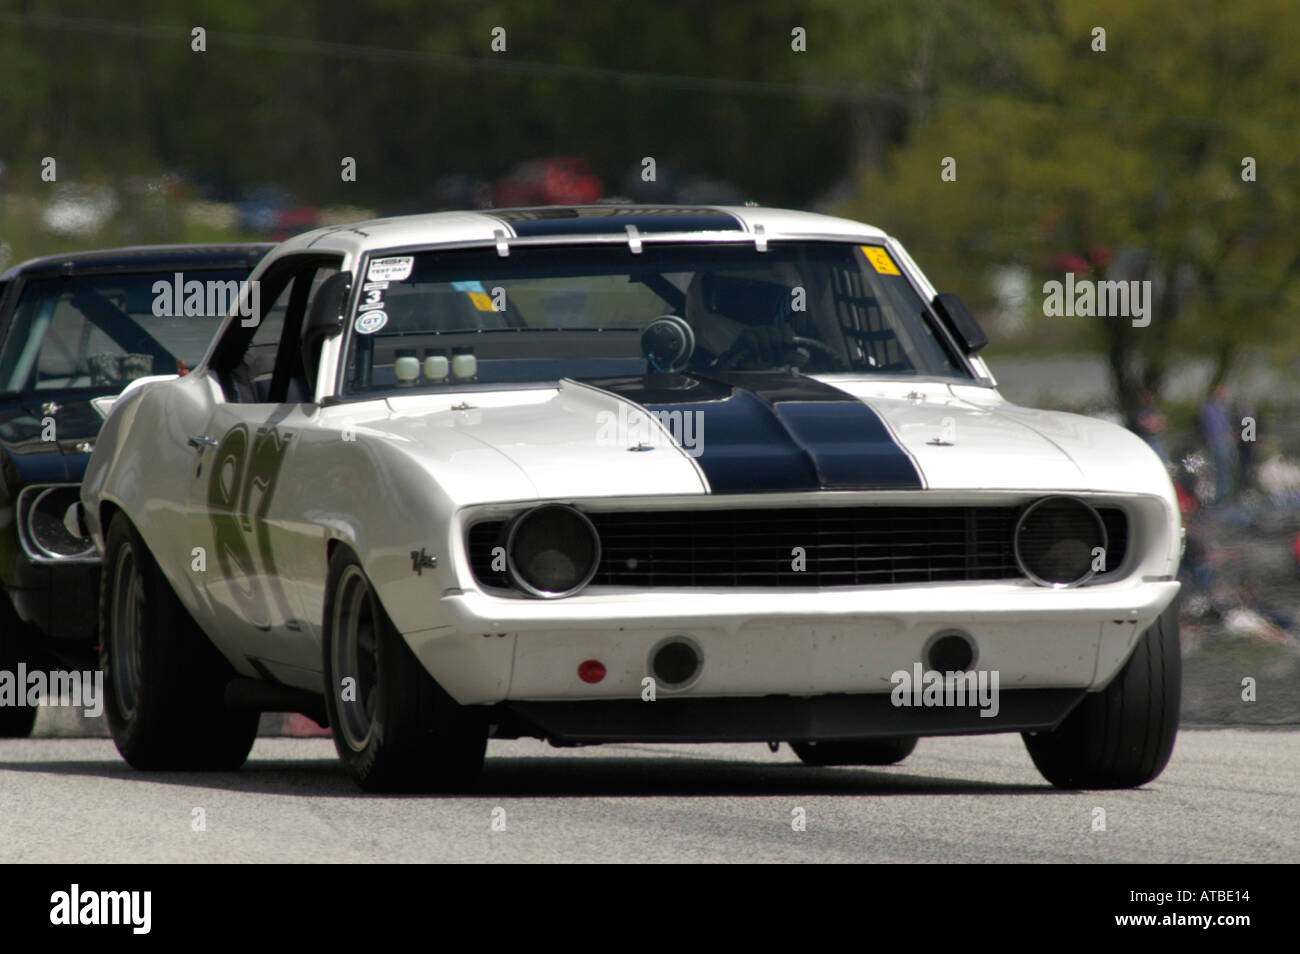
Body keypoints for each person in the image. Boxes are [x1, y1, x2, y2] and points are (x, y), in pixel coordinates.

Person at [1198, 385, 1237, 504]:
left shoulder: (1223, 409)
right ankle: (1221, 496)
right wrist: (1224, 435)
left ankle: (1226, 494)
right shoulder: (1209, 408)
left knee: (1226, 469)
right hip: (1217, 442)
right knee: (1221, 469)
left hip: (1226, 442)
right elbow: (1213, 427)